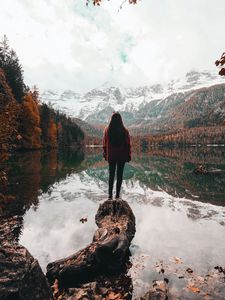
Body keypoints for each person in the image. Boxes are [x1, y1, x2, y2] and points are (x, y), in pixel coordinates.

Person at [102, 112, 131, 200]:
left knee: (111, 175)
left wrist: (105, 154)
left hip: (111, 156)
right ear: (120, 120)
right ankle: (117, 195)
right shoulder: (125, 131)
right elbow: (128, 144)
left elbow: (104, 144)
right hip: (121, 156)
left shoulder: (107, 130)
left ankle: (110, 195)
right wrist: (128, 155)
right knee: (119, 175)